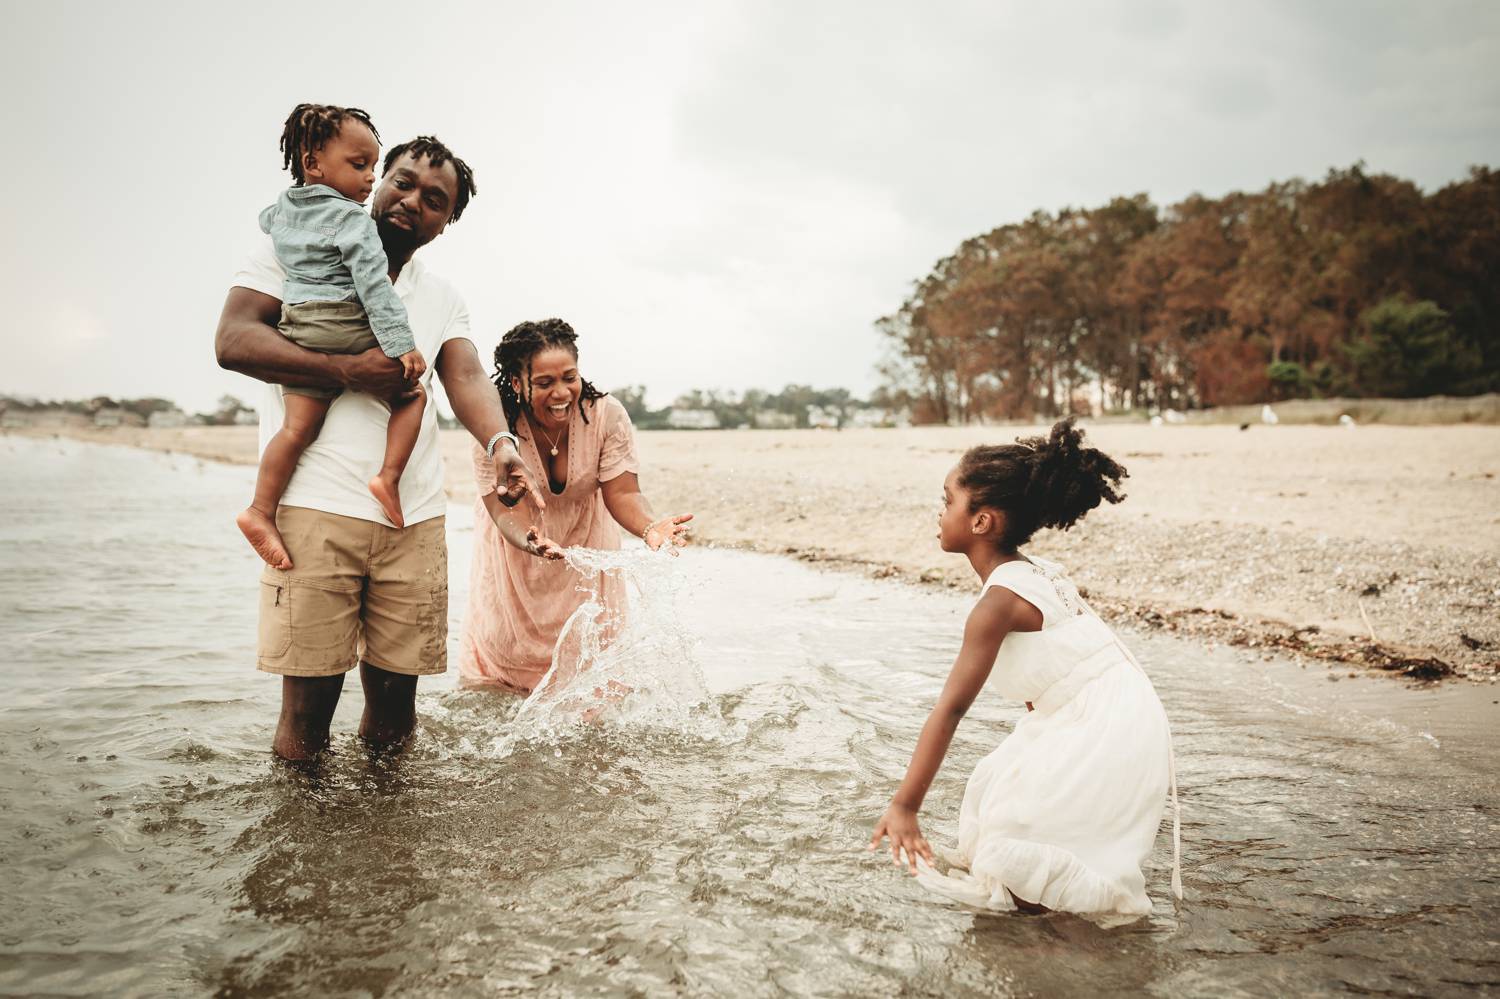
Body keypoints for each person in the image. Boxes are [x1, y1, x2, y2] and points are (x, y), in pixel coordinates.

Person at [215, 134, 539, 762]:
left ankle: (390, 853)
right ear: (378, 181)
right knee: (306, 715)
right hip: (311, 511)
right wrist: (344, 370)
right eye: (404, 181)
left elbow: (466, 375)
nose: (412, 200)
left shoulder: (441, 296)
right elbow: (232, 340)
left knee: (395, 716)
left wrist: (500, 442)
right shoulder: (293, 250)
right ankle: (306, 856)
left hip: (411, 518)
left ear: (444, 224)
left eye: (434, 200)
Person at [868, 419, 1181, 918]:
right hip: (1119, 712)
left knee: (1024, 857)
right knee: (1012, 827)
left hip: (1106, 727)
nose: (940, 511)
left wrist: (905, 805)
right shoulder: (1036, 572)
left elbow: (950, 709)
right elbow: (1070, 665)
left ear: (981, 522)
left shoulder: (997, 605)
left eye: (947, 500)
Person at [237, 104, 432, 571]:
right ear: (313, 163)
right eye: (358, 165)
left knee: (297, 428)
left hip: (299, 324)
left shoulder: (283, 210)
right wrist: (401, 342)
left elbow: (267, 221)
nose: (369, 179)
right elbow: (372, 284)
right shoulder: (353, 221)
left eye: (372, 167)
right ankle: (387, 478)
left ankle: (260, 509)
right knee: (412, 395)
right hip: (342, 321)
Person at [459, 318, 692, 694]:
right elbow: (503, 511)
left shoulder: (606, 415)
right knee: (501, 687)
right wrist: (530, 539)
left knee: (592, 683)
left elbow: (623, 492)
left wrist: (650, 528)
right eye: (545, 383)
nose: (561, 392)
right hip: (516, 554)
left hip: (588, 552)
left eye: (569, 377)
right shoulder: (495, 432)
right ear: (517, 383)